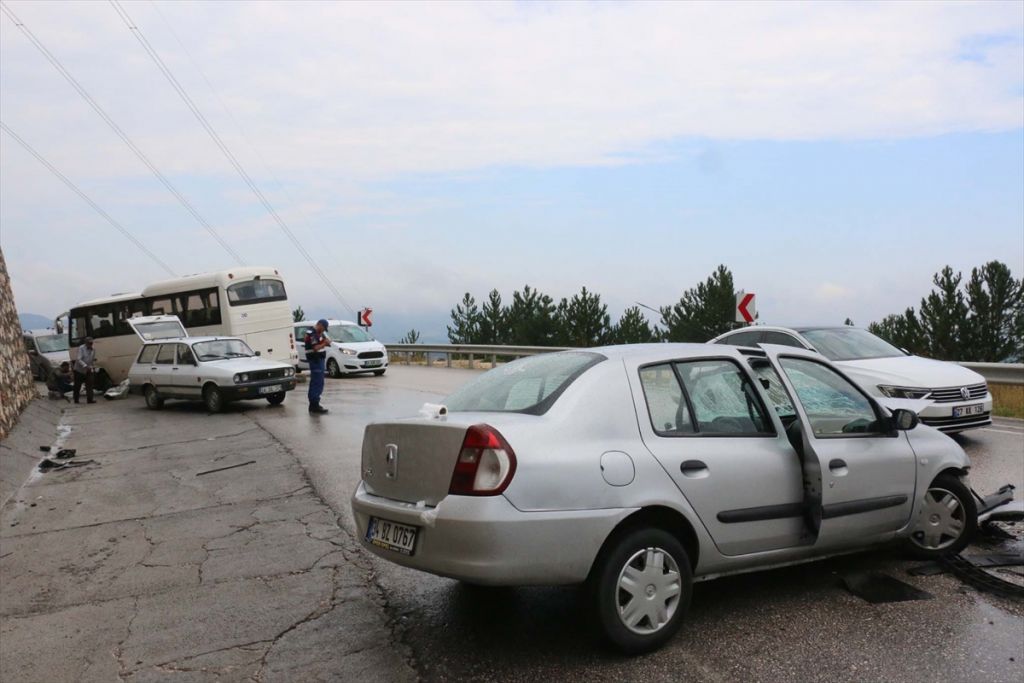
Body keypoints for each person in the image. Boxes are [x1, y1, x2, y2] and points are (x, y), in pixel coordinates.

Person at [304, 319, 331, 414]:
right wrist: (325, 344)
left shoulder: (318, 333)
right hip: (315, 360)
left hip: (319, 360)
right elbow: (315, 347)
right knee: (317, 382)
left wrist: (325, 342)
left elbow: (322, 343)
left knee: (317, 382)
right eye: (323, 328)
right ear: (319, 325)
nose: (323, 331)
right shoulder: (312, 333)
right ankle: (314, 404)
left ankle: (314, 404)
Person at [74, 336, 97, 404]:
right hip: (79, 370)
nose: (90, 345)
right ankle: (76, 399)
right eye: (89, 343)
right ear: (86, 343)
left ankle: (90, 399)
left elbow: (91, 360)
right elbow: (79, 359)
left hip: (88, 369)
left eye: (91, 343)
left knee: (89, 385)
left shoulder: (93, 349)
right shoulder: (81, 348)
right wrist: (85, 366)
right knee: (77, 385)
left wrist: (92, 367)